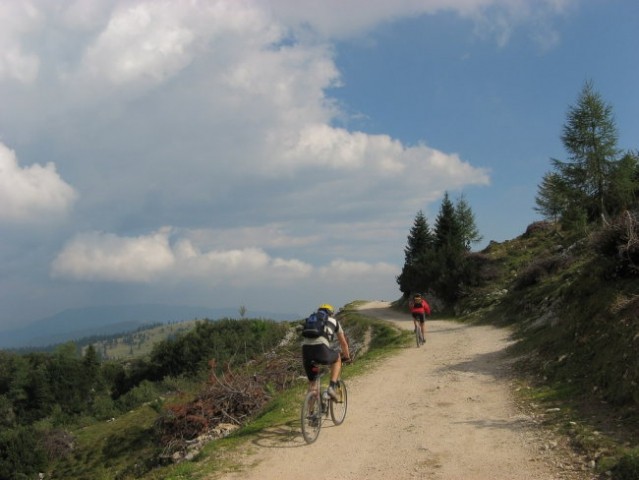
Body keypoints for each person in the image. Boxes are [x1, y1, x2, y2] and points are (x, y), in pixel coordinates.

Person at [301, 303, 350, 400]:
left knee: (312, 384)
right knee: (337, 358)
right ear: (331, 313)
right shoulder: (334, 321)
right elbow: (343, 343)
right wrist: (347, 357)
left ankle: (311, 413)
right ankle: (331, 388)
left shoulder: (311, 320)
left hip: (306, 350)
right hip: (321, 349)